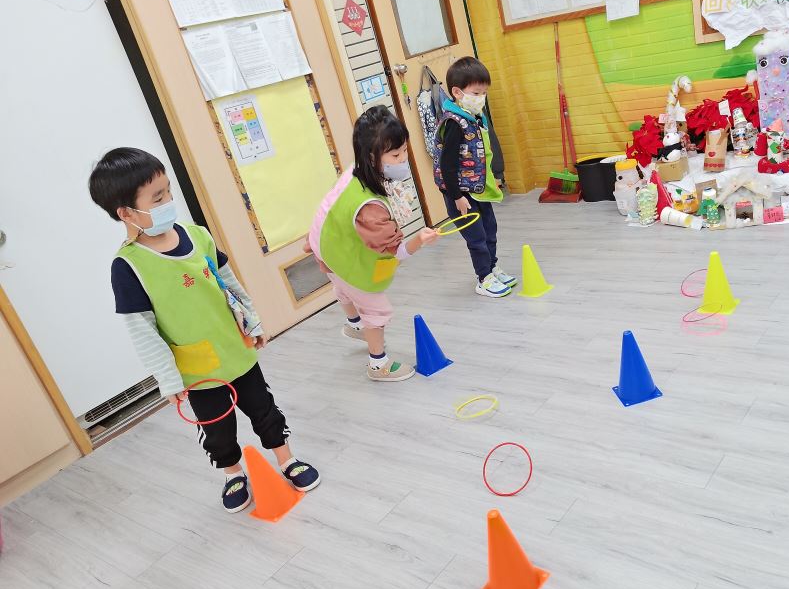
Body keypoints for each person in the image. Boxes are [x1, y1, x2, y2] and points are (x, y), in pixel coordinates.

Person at [89, 148, 320, 513]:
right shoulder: (128, 267)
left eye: (168, 191)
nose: (169, 201)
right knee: (217, 430)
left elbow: (229, 283)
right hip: (198, 373)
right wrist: (168, 379)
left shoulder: (197, 236)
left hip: (237, 350)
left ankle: (287, 459)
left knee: (264, 409)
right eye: (158, 198)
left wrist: (253, 321)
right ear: (126, 213)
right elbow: (143, 331)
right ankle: (232, 474)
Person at [308, 106, 438, 381]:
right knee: (377, 310)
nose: (403, 159)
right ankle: (378, 365)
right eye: (396, 155)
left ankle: (354, 324)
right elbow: (396, 252)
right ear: (371, 156)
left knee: (341, 287)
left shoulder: (354, 172)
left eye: (404, 150)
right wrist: (420, 239)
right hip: (340, 256)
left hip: (325, 245)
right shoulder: (370, 209)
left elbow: (331, 206)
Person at [435, 56, 516, 298]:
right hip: (460, 194)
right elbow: (447, 165)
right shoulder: (454, 123)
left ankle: (492, 268)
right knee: (476, 237)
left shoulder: (474, 118)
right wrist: (457, 196)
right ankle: (483, 278)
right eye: (476, 93)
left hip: (478, 189)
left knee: (490, 230)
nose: (481, 98)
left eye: (484, 93)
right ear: (457, 92)